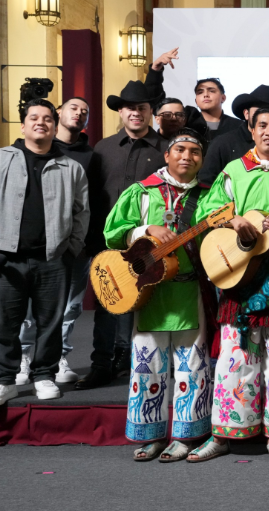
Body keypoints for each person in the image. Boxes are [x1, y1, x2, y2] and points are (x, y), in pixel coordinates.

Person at [188, 108, 269, 463]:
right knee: (235, 358)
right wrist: (232, 220)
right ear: (251, 130)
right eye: (262, 126)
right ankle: (224, 433)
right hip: (240, 271)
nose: (268, 132)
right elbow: (208, 211)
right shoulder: (234, 170)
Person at [103, 128, 213, 462]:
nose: (187, 156)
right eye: (180, 149)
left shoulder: (210, 195)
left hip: (190, 292)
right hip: (150, 294)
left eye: (195, 152)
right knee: (146, 367)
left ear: (201, 159)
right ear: (166, 155)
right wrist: (145, 229)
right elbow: (112, 233)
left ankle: (186, 436)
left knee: (191, 368)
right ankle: (151, 437)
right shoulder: (142, 192)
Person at [77, 81, 168, 391]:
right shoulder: (102, 148)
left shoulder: (166, 150)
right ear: (121, 111)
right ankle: (101, 364)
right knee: (107, 301)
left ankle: (136, 363)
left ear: (150, 112)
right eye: (130, 108)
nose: (136, 113)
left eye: (142, 108)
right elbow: (91, 196)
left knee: (144, 301)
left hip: (147, 242)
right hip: (108, 240)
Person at [0, 99, 89, 406]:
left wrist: (70, 250)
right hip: (7, 260)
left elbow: (82, 213)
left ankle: (44, 375)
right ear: (22, 125)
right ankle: (5, 379)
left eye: (48, 118)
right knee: (5, 323)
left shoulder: (71, 168)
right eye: (34, 118)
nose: (41, 122)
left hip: (53, 259)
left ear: (54, 126)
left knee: (50, 323)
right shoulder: (3, 160)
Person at [197, 85, 269, 186]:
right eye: (259, 110)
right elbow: (205, 182)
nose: (264, 115)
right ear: (246, 114)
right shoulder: (223, 143)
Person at [145, 48, 242, 142]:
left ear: (223, 98)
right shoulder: (186, 119)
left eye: (211, 91)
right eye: (200, 92)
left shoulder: (238, 126)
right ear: (196, 100)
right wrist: (155, 70)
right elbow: (157, 104)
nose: (206, 95)